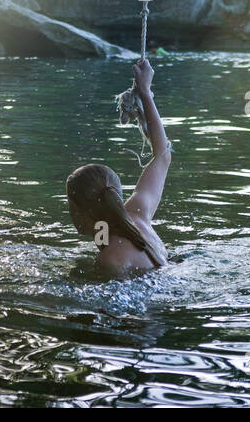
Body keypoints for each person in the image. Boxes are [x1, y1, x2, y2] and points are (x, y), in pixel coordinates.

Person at [65, 59, 171, 278]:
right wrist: (145, 93)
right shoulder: (139, 214)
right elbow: (163, 155)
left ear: (79, 212)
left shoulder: (110, 259)